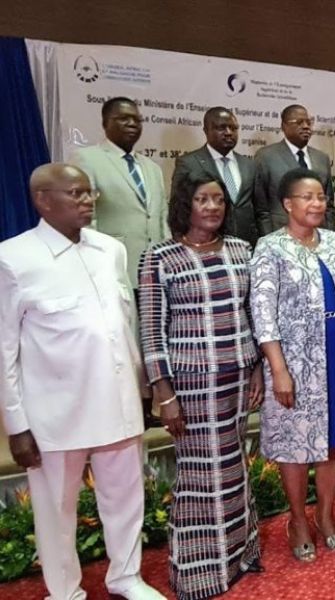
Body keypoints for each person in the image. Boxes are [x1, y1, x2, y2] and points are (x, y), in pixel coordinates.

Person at [0, 163, 164, 600]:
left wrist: (142, 390)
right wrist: (16, 425)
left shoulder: (110, 249)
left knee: (125, 498)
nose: (88, 200)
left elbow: (125, 325)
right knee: (56, 511)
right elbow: (4, 351)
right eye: (75, 193)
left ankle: (126, 577)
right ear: (42, 200)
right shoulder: (12, 259)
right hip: (56, 413)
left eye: (89, 192)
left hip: (118, 401)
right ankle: (65, 591)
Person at [139, 173, 263, 598]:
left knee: (235, 467)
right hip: (191, 386)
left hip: (239, 376)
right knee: (199, 475)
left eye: (218, 200)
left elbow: (253, 315)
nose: (212, 207)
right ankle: (199, 572)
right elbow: (151, 333)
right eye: (202, 199)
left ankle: (241, 554)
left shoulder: (241, 250)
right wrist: (164, 395)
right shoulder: (160, 257)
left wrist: (258, 368)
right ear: (184, 205)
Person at [250, 168, 335, 561]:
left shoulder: (333, 242)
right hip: (294, 362)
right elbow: (262, 312)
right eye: (307, 197)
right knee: (295, 444)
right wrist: (278, 369)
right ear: (288, 204)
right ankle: (298, 519)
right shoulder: (270, 247)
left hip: (334, 356)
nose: (317, 204)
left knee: (332, 440)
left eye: (321, 197)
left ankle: (325, 515)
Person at [71, 96, 168, 289]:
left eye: (137, 120)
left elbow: (162, 216)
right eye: (123, 118)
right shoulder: (86, 159)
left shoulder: (152, 167)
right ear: (105, 123)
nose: (132, 123)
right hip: (113, 267)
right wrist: (95, 262)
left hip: (155, 270)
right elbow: (84, 219)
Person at [171, 107, 264, 246]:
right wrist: (182, 245)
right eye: (221, 128)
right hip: (206, 245)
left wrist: (263, 243)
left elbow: (262, 211)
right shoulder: (189, 163)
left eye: (233, 128)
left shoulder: (249, 165)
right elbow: (177, 209)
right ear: (206, 130)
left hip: (248, 245)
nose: (228, 132)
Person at [254, 104, 335, 234]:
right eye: (299, 122)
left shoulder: (321, 158)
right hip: (281, 234)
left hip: (318, 235)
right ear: (284, 126)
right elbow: (261, 208)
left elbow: (329, 206)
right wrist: (267, 238)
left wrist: (330, 235)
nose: (306, 126)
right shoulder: (266, 156)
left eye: (308, 122)